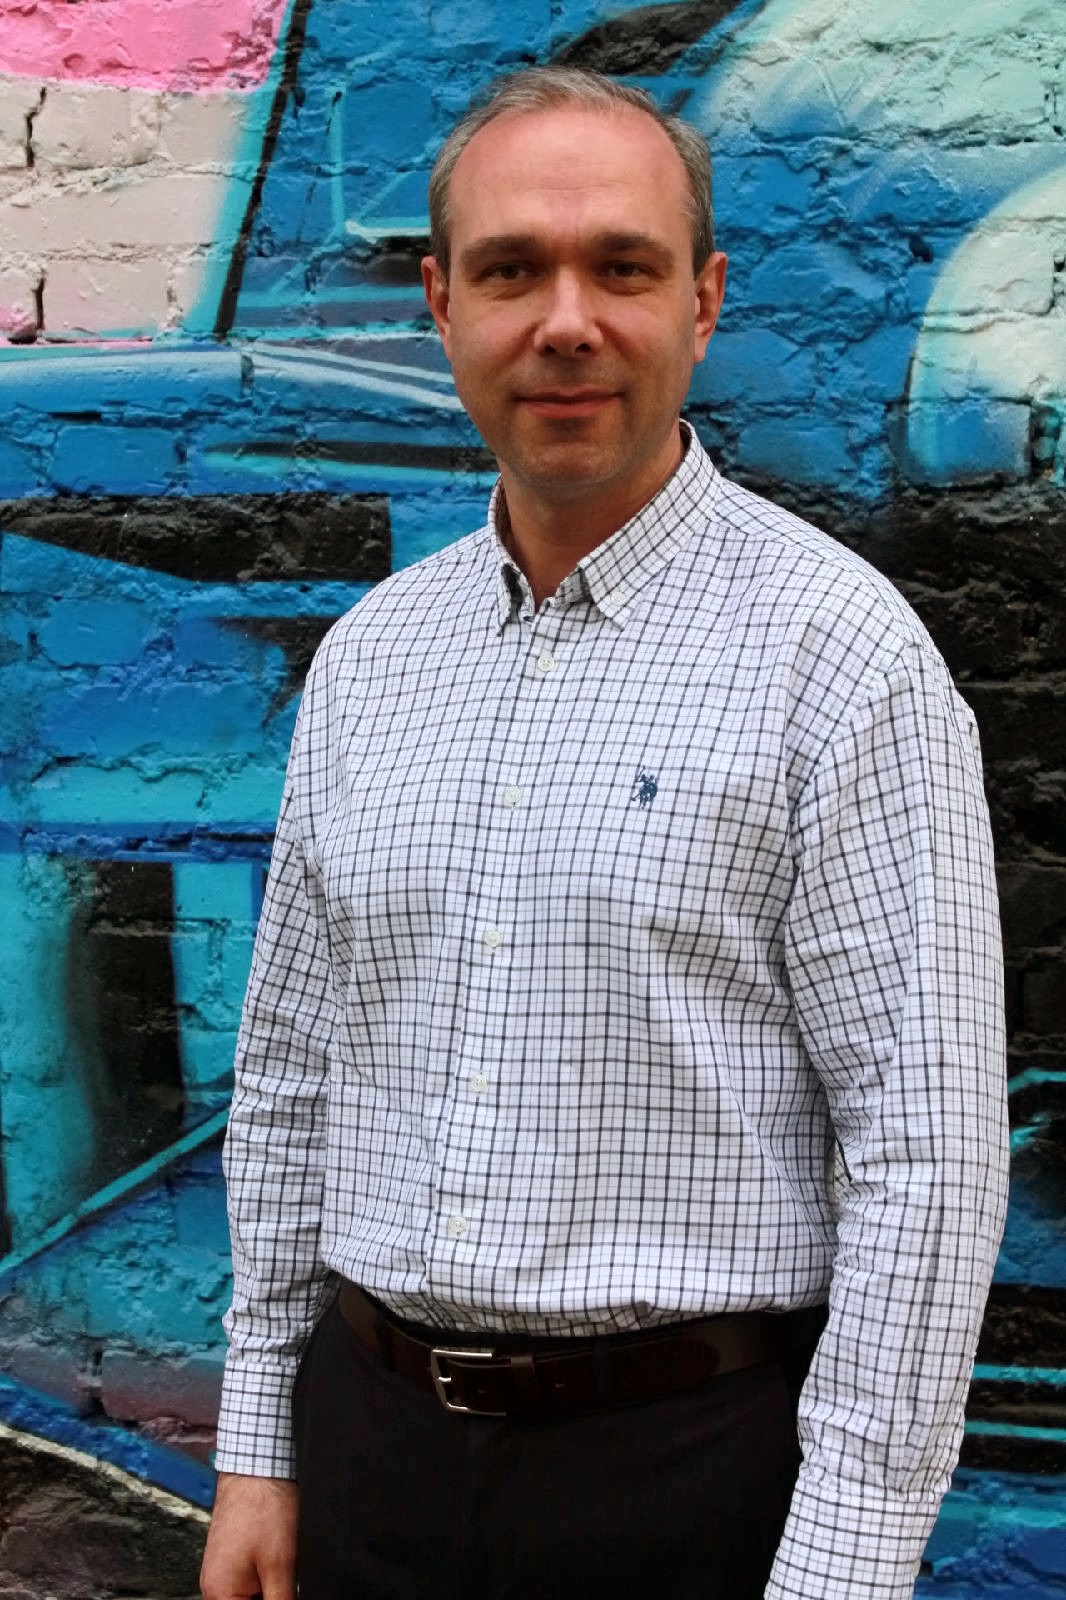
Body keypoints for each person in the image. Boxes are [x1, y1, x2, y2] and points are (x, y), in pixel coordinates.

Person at [200, 66, 1008, 1600]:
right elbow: (293, 1075)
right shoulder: (370, 662)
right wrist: (260, 1444)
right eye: (511, 270)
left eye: (620, 268)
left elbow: (922, 1157)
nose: (564, 322)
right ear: (441, 305)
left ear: (701, 303)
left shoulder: (838, 659)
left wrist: (842, 1568)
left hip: (686, 1485)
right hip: (371, 1460)